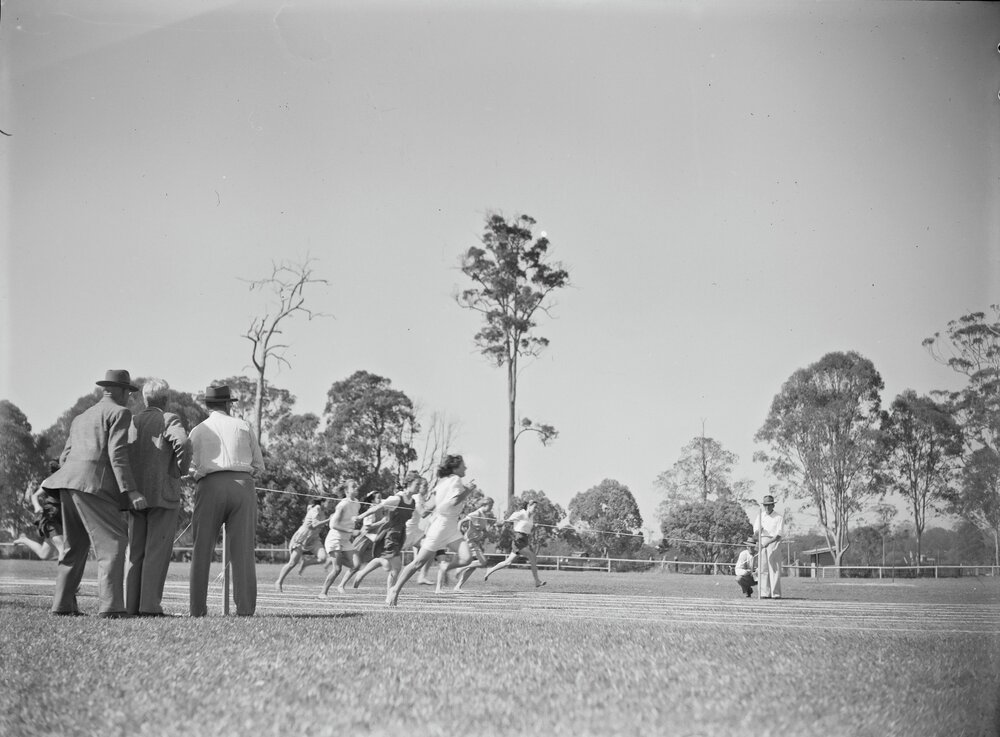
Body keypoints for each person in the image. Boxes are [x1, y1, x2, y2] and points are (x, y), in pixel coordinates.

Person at [42, 369, 148, 617]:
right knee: (114, 543)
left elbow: (65, 456)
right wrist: (131, 491)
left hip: (67, 483)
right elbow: (117, 453)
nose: (130, 398)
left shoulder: (81, 417)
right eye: (129, 393)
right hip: (93, 486)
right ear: (121, 391)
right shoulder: (120, 413)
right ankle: (111, 608)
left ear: (105, 390)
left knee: (73, 547)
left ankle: (62, 606)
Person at [188, 384, 264, 617]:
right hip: (243, 486)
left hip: (209, 485)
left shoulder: (198, 430)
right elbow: (259, 467)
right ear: (229, 404)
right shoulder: (243, 426)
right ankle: (245, 609)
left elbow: (190, 468)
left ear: (208, 405)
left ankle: (198, 610)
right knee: (243, 551)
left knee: (201, 550)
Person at [126, 378, 190, 617]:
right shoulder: (169, 418)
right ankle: (149, 606)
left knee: (135, 552)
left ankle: (130, 605)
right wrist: (179, 470)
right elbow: (182, 443)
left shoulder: (133, 421)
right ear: (166, 400)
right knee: (156, 552)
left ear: (144, 399)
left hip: (135, 494)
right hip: (163, 493)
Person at [386, 454, 477, 606]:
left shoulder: (442, 483)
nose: (466, 467)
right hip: (440, 527)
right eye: (463, 465)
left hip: (451, 527)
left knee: (467, 558)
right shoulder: (455, 480)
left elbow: (430, 506)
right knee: (418, 563)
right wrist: (468, 490)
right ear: (455, 467)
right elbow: (454, 501)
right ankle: (394, 589)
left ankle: (446, 567)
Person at [351, 473, 422, 591]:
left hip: (401, 534)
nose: (419, 487)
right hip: (391, 534)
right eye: (417, 484)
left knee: (390, 564)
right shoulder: (396, 498)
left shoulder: (413, 502)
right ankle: (390, 594)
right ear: (409, 484)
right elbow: (377, 507)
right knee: (395, 566)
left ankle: (362, 574)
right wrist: (360, 517)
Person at [483, 500, 546, 588]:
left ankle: (490, 570)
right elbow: (508, 520)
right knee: (532, 556)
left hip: (525, 539)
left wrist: (535, 527)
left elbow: (527, 530)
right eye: (535, 507)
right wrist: (500, 524)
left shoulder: (531, 517)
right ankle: (537, 581)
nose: (536, 510)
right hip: (518, 540)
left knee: (507, 563)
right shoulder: (520, 514)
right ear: (529, 506)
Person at [13, 461, 65, 561]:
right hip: (51, 519)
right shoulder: (49, 481)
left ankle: (24, 540)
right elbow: (35, 496)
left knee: (43, 554)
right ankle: (66, 577)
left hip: (61, 519)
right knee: (63, 551)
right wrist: (37, 506)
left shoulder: (69, 481)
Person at [275, 498, 329, 592]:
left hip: (314, 539)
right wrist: (329, 520)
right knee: (292, 563)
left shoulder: (323, 512)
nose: (332, 504)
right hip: (302, 537)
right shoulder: (315, 509)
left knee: (323, 557)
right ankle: (279, 582)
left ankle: (306, 563)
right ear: (323, 502)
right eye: (330, 502)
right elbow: (315, 524)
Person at [319, 480, 362, 596]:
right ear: (347, 491)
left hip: (345, 540)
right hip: (335, 539)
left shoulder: (357, 503)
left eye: (356, 485)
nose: (356, 487)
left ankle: (339, 581)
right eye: (353, 486)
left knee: (356, 565)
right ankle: (323, 593)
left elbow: (351, 520)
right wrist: (351, 531)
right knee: (337, 569)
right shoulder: (343, 504)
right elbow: (333, 525)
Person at [453, 497, 495, 591]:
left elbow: (483, 530)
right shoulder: (476, 513)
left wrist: (491, 534)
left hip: (475, 542)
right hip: (469, 541)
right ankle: (461, 568)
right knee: (482, 562)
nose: (491, 507)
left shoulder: (484, 515)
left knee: (474, 566)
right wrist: (460, 533)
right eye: (490, 505)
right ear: (485, 505)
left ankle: (458, 586)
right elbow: (461, 522)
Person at [753, 494, 784, 599]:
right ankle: (764, 593)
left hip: (774, 542)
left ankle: (775, 594)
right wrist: (759, 531)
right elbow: (755, 533)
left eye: (769, 505)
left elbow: (779, 535)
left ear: (773, 505)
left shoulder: (778, 517)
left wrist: (769, 542)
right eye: (765, 505)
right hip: (762, 541)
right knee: (763, 568)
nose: (767, 507)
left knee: (774, 569)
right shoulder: (760, 516)